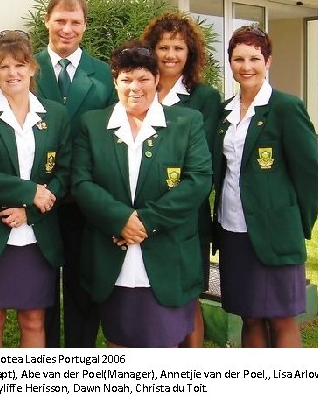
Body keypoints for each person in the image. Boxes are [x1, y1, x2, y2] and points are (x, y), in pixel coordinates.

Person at [71, 41, 212, 348]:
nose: (135, 87)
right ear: (115, 81)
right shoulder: (92, 124)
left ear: (157, 79)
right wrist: (120, 219)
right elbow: (80, 182)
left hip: (167, 256)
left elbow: (198, 181)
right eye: (126, 79)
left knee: (164, 344)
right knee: (118, 342)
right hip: (112, 260)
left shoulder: (187, 123)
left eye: (144, 78)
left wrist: (145, 222)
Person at [0, 30, 71, 348]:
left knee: (33, 320)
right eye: (4, 66)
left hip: (37, 237)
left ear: (32, 68)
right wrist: (28, 191)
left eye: (20, 65)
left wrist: (30, 208)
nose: (12, 73)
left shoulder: (56, 114)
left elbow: (65, 172)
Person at [212, 25, 318, 348]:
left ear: (268, 61)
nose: (246, 66)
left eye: (254, 58)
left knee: (281, 317)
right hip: (233, 229)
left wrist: (296, 223)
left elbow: (310, 174)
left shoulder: (286, 108)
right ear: (230, 63)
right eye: (238, 58)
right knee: (248, 314)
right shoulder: (225, 113)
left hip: (275, 232)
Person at [34, 0, 116, 348]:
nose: (67, 29)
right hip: (40, 198)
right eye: (60, 21)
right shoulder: (26, 67)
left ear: (85, 25)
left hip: (86, 199)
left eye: (75, 22)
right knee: (42, 290)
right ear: (47, 21)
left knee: (84, 289)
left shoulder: (104, 74)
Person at [141, 11, 221, 347]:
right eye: (163, 47)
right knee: (150, 295)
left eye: (178, 47)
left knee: (189, 299)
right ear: (152, 51)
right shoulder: (139, 89)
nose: (170, 55)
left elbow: (209, 165)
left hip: (186, 215)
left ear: (190, 54)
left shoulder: (205, 98)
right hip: (141, 215)